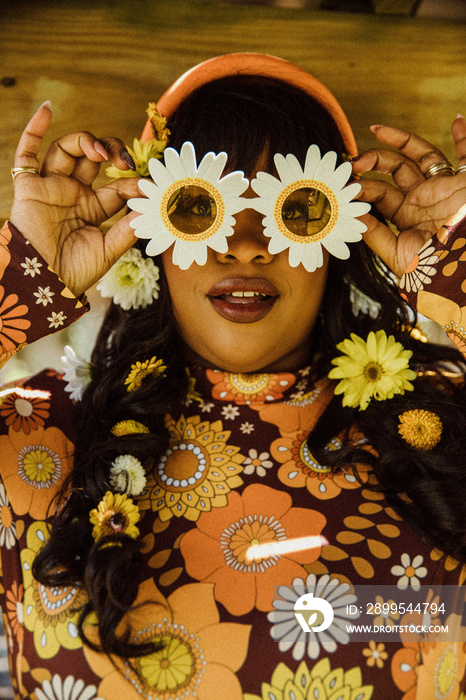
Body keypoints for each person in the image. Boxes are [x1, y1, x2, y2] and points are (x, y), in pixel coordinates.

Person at [1, 52, 466, 699]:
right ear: (153, 235)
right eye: (199, 205)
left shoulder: (440, 447)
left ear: (345, 237)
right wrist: (18, 286)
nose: (245, 242)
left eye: (295, 209)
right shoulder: (35, 438)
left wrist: (459, 271)